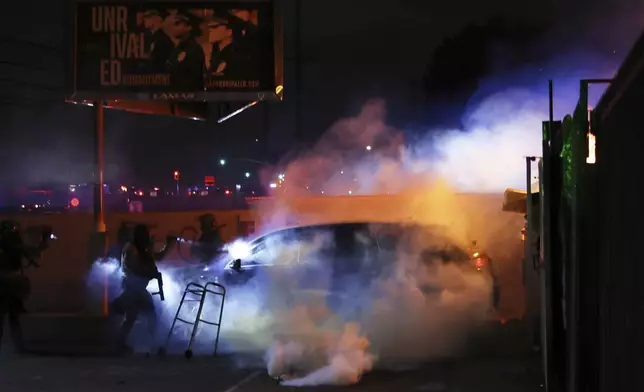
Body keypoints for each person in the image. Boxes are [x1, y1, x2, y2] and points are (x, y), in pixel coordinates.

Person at [114, 224, 174, 355]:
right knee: (149, 315)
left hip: (137, 288)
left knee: (133, 317)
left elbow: (156, 257)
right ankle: (154, 345)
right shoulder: (132, 248)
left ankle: (122, 344)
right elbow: (135, 267)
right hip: (134, 287)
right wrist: (151, 273)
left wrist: (169, 245)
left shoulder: (142, 248)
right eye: (144, 234)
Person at [0, 221, 49, 354]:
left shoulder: (13, 247)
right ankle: (18, 346)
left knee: (13, 316)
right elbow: (32, 253)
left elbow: (32, 254)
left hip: (10, 285)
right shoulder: (13, 247)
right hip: (8, 285)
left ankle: (18, 345)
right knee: (13, 316)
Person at [165, 9, 206, 91]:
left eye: (177, 24)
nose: (173, 28)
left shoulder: (194, 49)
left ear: (188, 27)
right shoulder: (178, 48)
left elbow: (192, 83)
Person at [141, 8, 174, 73]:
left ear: (155, 19)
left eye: (148, 17)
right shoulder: (155, 38)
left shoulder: (162, 39)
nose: (144, 20)